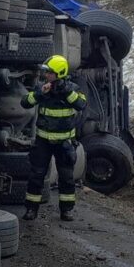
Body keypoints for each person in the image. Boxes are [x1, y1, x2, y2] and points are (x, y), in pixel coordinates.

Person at [19, 54, 86, 221]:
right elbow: (25, 102)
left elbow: (81, 104)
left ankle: (67, 210)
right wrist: (40, 93)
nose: (46, 75)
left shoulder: (73, 88)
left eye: (50, 72)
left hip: (64, 142)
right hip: (43, 141)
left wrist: (65, 91)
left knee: (66, 178)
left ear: (59, 73)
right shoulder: (44, 88)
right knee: (36, 175)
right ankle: (31, 209)